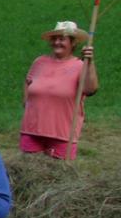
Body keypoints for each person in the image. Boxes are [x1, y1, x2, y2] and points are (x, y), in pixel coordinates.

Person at [19, 20, 98, 160]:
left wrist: (90, 63)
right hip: (32, 131)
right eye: (54, 39)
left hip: (62, 134)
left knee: (57, 177)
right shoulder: (39, 62)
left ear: (73, 43)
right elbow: (28, 82)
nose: (57, 42)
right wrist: (27, 104)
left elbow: (90, 90)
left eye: (62, 39)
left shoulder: (80, 65)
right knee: (28, 175)